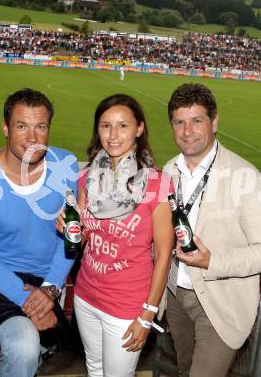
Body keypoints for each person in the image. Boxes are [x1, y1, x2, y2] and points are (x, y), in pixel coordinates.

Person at [161, 82, 261, 377]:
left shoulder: (247, 178)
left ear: (214, 122)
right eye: (179, 122)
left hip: (221, 302)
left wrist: (212, 261)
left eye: (196, 120)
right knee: (184, 370)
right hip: (176, 296)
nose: (187, 131)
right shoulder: (168, 171)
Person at [0, 88, 79, 377]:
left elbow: (71, 236)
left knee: (34, 353)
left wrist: (49, 289)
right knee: (24, 345)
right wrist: (30, 301)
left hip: (50, 282)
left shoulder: (67, 166)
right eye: (22, 126)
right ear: (5, 128)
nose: (33, 137)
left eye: (41, 126)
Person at [57, 93, 174, 377]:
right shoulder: (87, 177)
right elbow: (83, 237)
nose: (113, 135)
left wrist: (147, 315)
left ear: (139, 128)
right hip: (86, 295)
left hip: (127, 305)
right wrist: (66, 227)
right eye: (105, 125)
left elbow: (164, 256)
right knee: (94, 370)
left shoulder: (159, 183)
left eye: (123, 125)